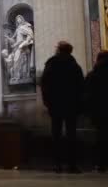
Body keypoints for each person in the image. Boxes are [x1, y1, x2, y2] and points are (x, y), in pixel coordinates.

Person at [41, 41, 84, 174]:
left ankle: (57, 164)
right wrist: (79, 104)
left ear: (59, 50)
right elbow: (81, 86)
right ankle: (72, 165)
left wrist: (47, 101)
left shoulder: (52, 63)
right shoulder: (74, 65)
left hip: (56, 104)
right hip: (71, 104)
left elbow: (45, 83)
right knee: (72, 135)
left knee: (56, 135)